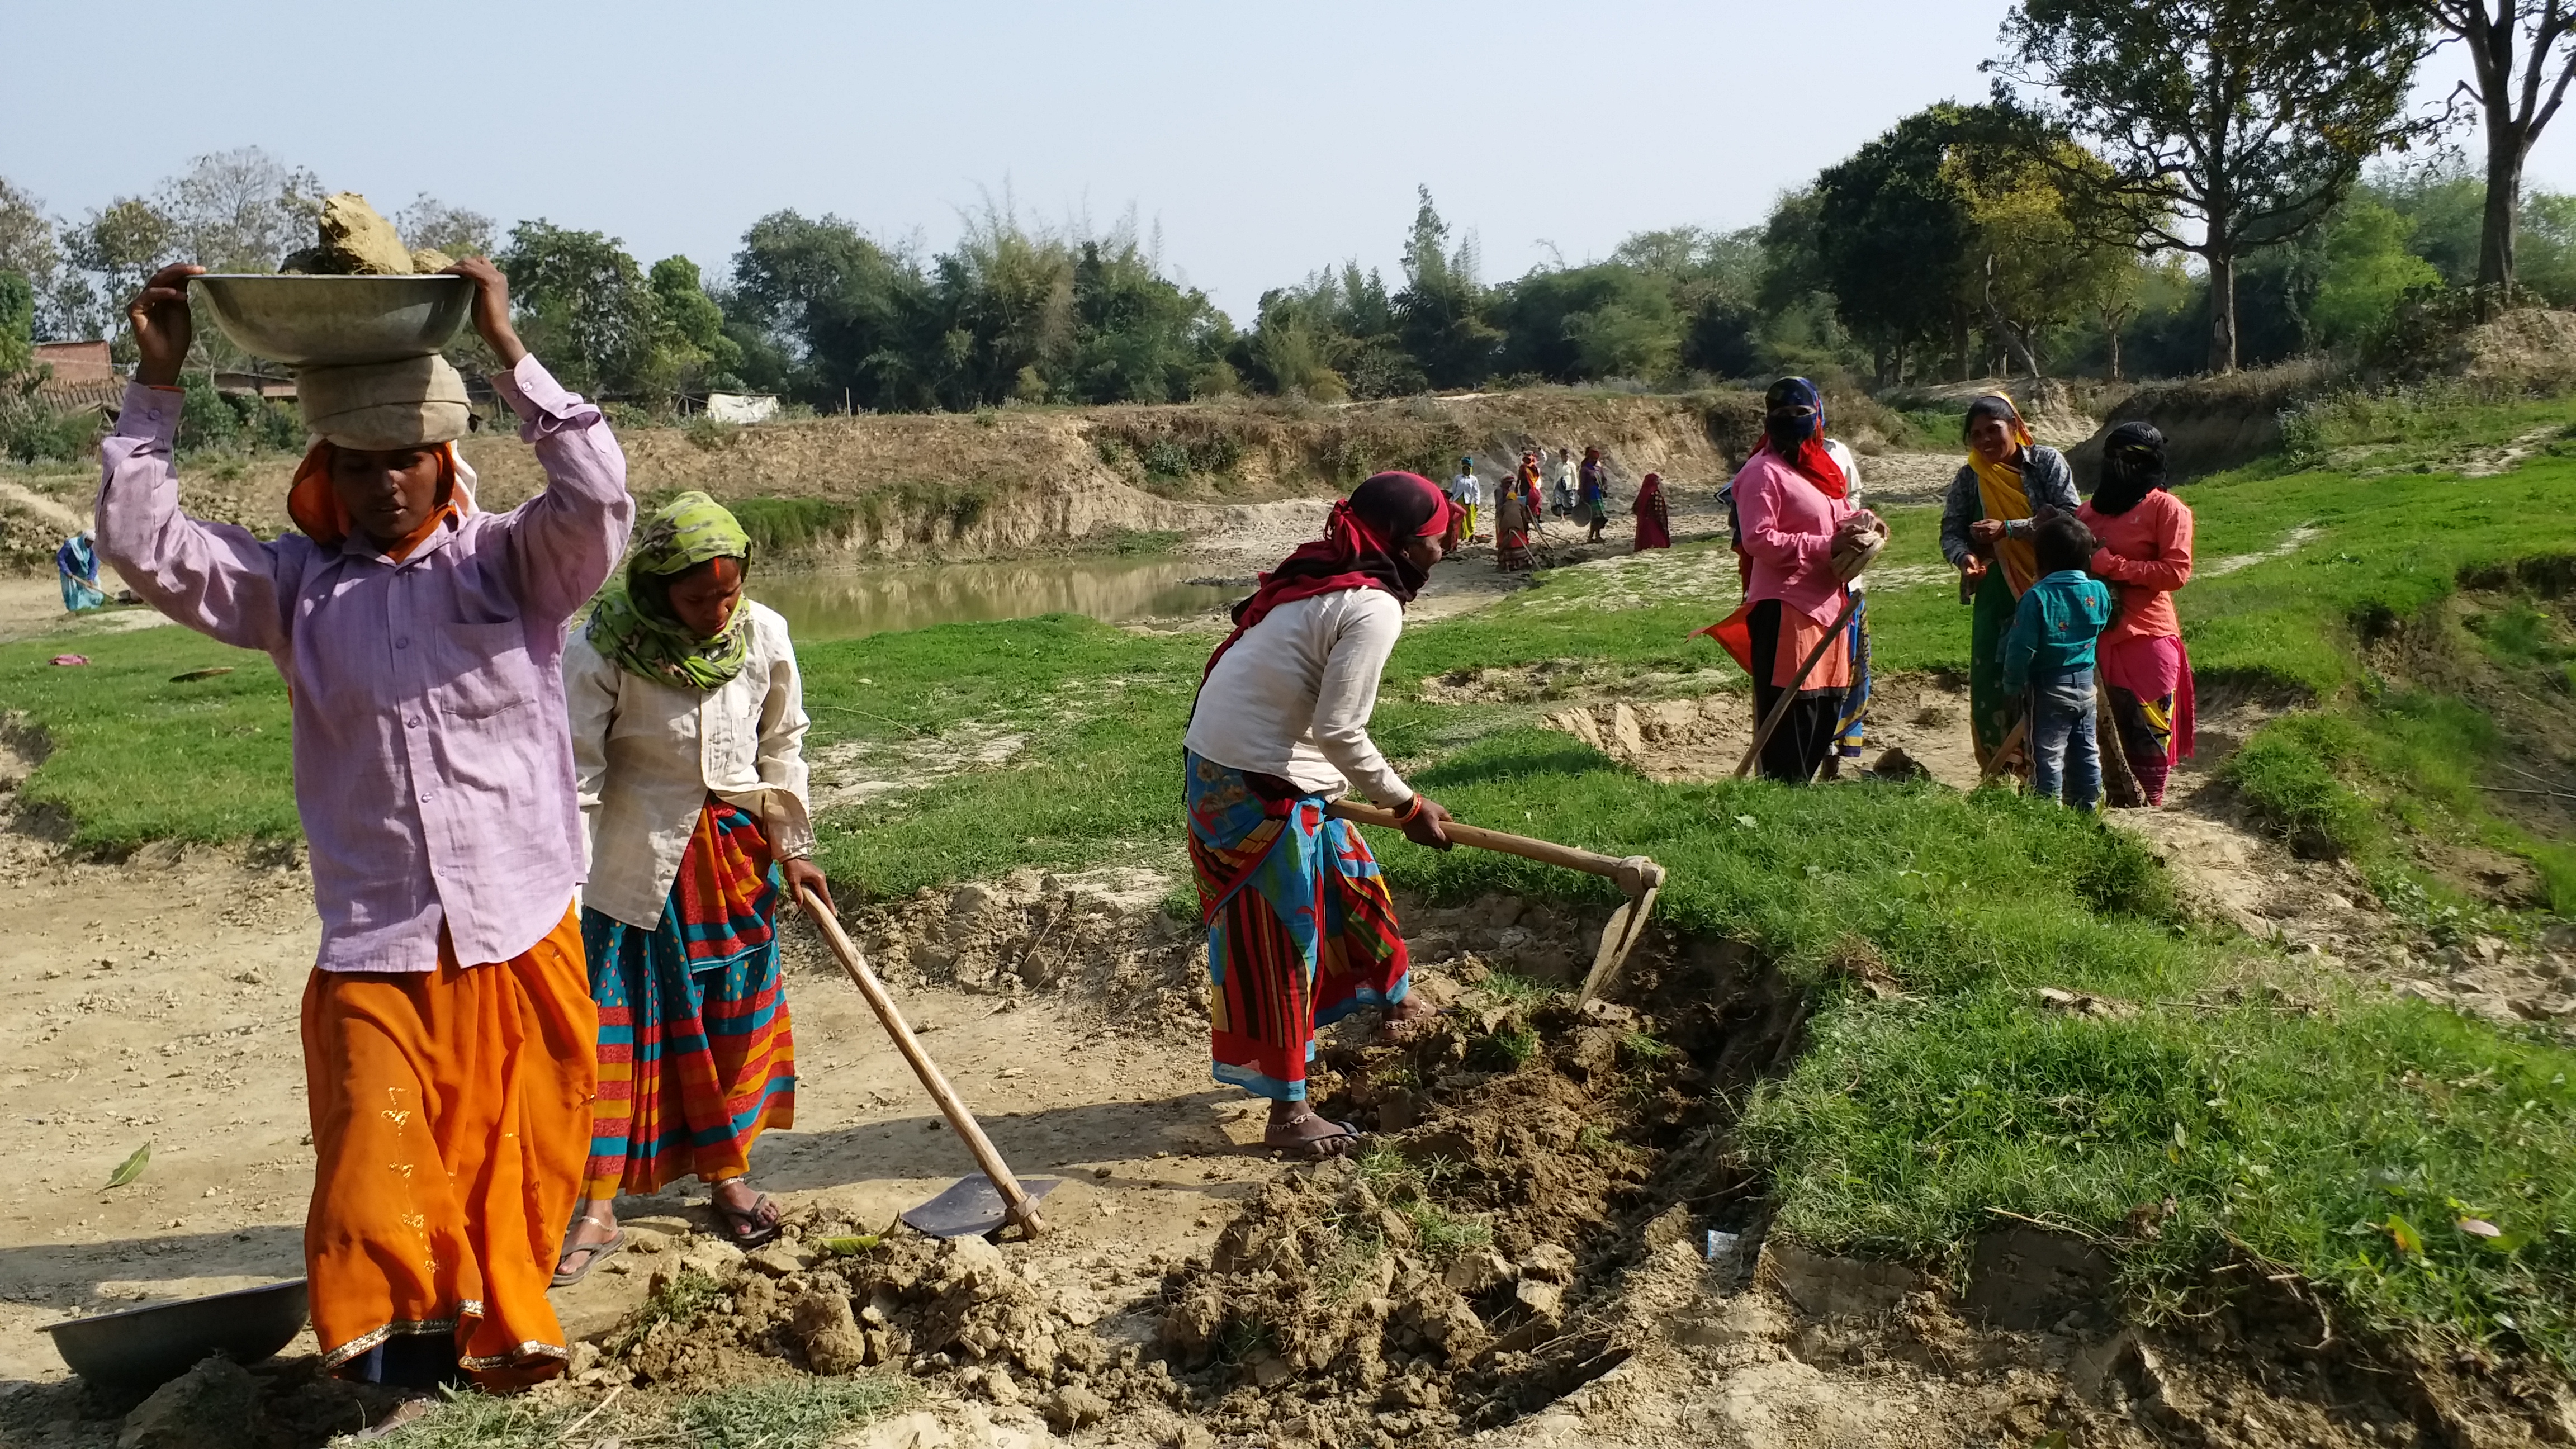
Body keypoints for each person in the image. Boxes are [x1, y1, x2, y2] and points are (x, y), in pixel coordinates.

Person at [97, 259, 632, 1394]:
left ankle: (489, 1342)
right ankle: (393, 1377)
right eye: (358, 462)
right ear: (323, 476)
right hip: (379, 942)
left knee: (518, 1159)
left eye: (405, 458)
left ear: (443, 463)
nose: (384, 482)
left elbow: (597, 504)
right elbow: (151, 550)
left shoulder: (513, 566)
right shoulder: (295, 592)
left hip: (520, 929)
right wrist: (158, 386)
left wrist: (506, 347)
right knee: (373, 1165)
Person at [555, 493, 826, 1284]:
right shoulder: (602, 650)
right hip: (636, 875)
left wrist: (796, 848)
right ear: (655, 586)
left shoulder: (763, 634)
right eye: (696, 596)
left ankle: (728, 1178)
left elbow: (784, 741)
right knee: (620, 1036)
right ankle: (598, 1209)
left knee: (732, 1025)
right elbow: (574, 777)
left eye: (728, 592)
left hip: (737, 863)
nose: (716, 610)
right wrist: (566, 891)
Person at [1181, 471, 1456, 1157]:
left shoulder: (1336, 576)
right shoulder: (1371, 606)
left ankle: (1394, 1001)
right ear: (1401, 540)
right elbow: (1341, 730)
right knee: (1282, 933)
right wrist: (1408, 804)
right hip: (1248, 779)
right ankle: (1288, 1115)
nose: (1448, 546)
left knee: (1351, 869)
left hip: (1261, 761)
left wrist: (1361, 796)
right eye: (1439, 534)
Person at [1732, 378, 1885, 783]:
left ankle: (1799, 794)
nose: (1791, 422)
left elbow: (1837, 519)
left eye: (1801, 414)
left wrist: (1863, 525)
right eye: (1781, 415)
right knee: (1792, 709)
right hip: (1787, 608)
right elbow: (1759, 539)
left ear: (1818, 417)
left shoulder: (1822, 471)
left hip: (1830, 605)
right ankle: (1783, 793)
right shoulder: (1762, 472)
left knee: (1824, 701)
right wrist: (1826, 545)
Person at [1942, 394, 2078, 771]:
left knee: (2046, 674)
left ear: (2015, 428)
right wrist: (1964, 558)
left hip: (2050, 586)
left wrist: (2010, 529)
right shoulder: (1971, 476)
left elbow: (2070, 519)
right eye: (1976, 435)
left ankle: (2049, 767)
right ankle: (2002, 767)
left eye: (1993, 430)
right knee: (1993, 677)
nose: (1985, 441)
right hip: (1995, 590)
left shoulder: (2046, 462)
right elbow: (1950, 531)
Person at [2077, 422, 2196, 806]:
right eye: (2113, 456)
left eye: (2133, 458)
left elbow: (2175, 573)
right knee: (2103, 730)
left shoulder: (2168, 508)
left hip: (2148, 636)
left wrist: (2113, 565)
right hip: (2096, 637)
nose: (2121, 465)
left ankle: (2154, 807)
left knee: (2149, 730)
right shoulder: (2086, 513)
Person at [2001, 513, 2114, 809]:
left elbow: (2021, 646)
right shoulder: (2099, 592)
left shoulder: (2036, 598)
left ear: (2040, 560)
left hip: (2049, 688)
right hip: (2086, 686)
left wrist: (2012, 683)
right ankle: (2088, 806)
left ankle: (2047, 811)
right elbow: (2102, 622)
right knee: (2087, 751)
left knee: (2048, 754)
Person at [56, 531, 104, 612]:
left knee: (95, 592)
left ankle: (91, 607)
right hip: (69, 574)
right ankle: (75, 611)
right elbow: (60, 558)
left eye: (92, 542)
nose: (90, 544)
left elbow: (94, 564)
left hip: (84, 572)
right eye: (89, 542)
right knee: (73, 593)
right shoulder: (71, 545)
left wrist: (91, 578)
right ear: (84, 539)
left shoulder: (93, 548)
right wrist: (67, 571)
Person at [1494, 478, 1533, 571]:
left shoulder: (1505, 506)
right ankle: (1521, 562)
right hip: (1517, 527)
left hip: (1505, 526)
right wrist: (1526, 524)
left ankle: (1506, 563)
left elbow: (1501, 514)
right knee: (1520, 541)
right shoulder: (1520, 504)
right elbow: (1524, 519)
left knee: (1505, 542)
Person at [1632, 472, 1671, 552]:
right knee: (1656, 538)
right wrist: (1662, 522)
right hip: (1653, 521)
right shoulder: (1655, 493)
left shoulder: (1642, 493)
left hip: (1643, 521)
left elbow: (1635, 508)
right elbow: (1659, 509)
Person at [1579, 451, 1611, 543]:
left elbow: (1605, 480)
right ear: (1588, 459)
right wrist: (1582, 498)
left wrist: (1604, 487)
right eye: (1593, 459)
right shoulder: (1584, 470)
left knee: (1599, 517)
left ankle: (1594, 536)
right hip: (1590, 496)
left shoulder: (1598, 469)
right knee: (1595, 517)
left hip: (1598, 495)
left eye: (1596, 460)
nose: (1594, 461)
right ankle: (1595, 536)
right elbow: (1582, 485)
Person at [1449, 457, 1483, 542]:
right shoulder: (1458, 478)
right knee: (1459, 519)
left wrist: (1477, 502)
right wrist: (1452, 499)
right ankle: (1460, 536)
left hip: (1469, 502)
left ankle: (1470, 535)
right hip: (1458, 500)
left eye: (1468, 469)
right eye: (1464, 469)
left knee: (1469, 519)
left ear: (1470, 469)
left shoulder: (1473, 479)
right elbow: (1454, 489)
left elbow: (1476, 491)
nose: (1466, 470)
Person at [1552, 448, 1576, 517]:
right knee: (1559, 501)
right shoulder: (1559, 465)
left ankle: (1572, 515)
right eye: (1562, 456)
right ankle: (1562, 516)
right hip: (1559, 485)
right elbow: (1556, 476)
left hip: (1568, 485)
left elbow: (1574, 477)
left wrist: (1575, 486)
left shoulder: (1572, 465)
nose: (1564, 458)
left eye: (1566, 456)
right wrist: (1554, 487)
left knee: (1570, 501)